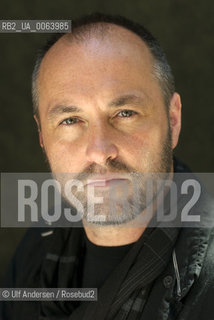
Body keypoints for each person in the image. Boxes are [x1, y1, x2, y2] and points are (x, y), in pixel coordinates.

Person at [1, 13, 214, 320]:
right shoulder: (36, 250)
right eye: (71, 120)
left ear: (173, 120)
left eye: (125, 113)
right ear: (42, 137)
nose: (100, 151)